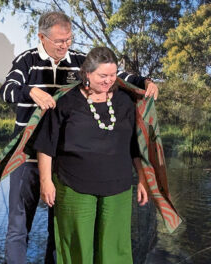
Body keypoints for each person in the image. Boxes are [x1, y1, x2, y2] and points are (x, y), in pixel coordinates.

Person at [0, 11, 158, 264]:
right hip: (26, 158)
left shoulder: (78, 61)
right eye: (59, 41)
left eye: (69, 39)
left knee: (59, 229)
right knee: (19, 226)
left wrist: (144, 81)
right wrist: (30, 92)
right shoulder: (27, 61)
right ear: (42, 37)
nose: (65, 46)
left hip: (59, 162)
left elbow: (114, 74)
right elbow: (6, 90)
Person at [33, 47, 148, 263]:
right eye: (102, 76)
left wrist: (142, 178)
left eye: (112, 75)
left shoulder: (125, 102)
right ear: (87, 73)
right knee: (76, 249)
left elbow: (135, 146)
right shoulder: (66, 101)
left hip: (118, 187)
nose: (108, 81)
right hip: (73, 186)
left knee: (116, 251)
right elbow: (46, 145)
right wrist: (45, 181)